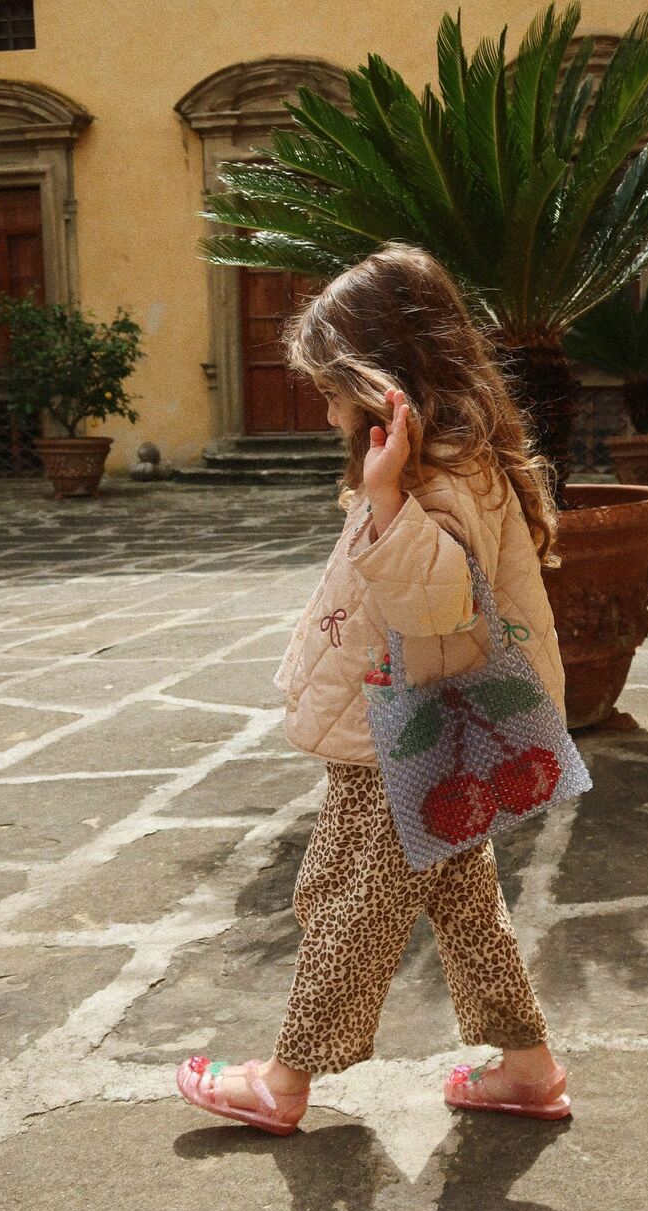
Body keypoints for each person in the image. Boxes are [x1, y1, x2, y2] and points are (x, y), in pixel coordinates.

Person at [176, 241, 571, 1136]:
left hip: (405, 726)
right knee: (461, 900)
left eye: (332, 390)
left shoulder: (438, 473)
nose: (325, 411)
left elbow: (436, 604)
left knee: (349, 896)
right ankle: (526, 1067)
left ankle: (282, 1081)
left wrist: (388, 498)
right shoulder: (445, 458)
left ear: (384, 380)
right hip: (426, 718)